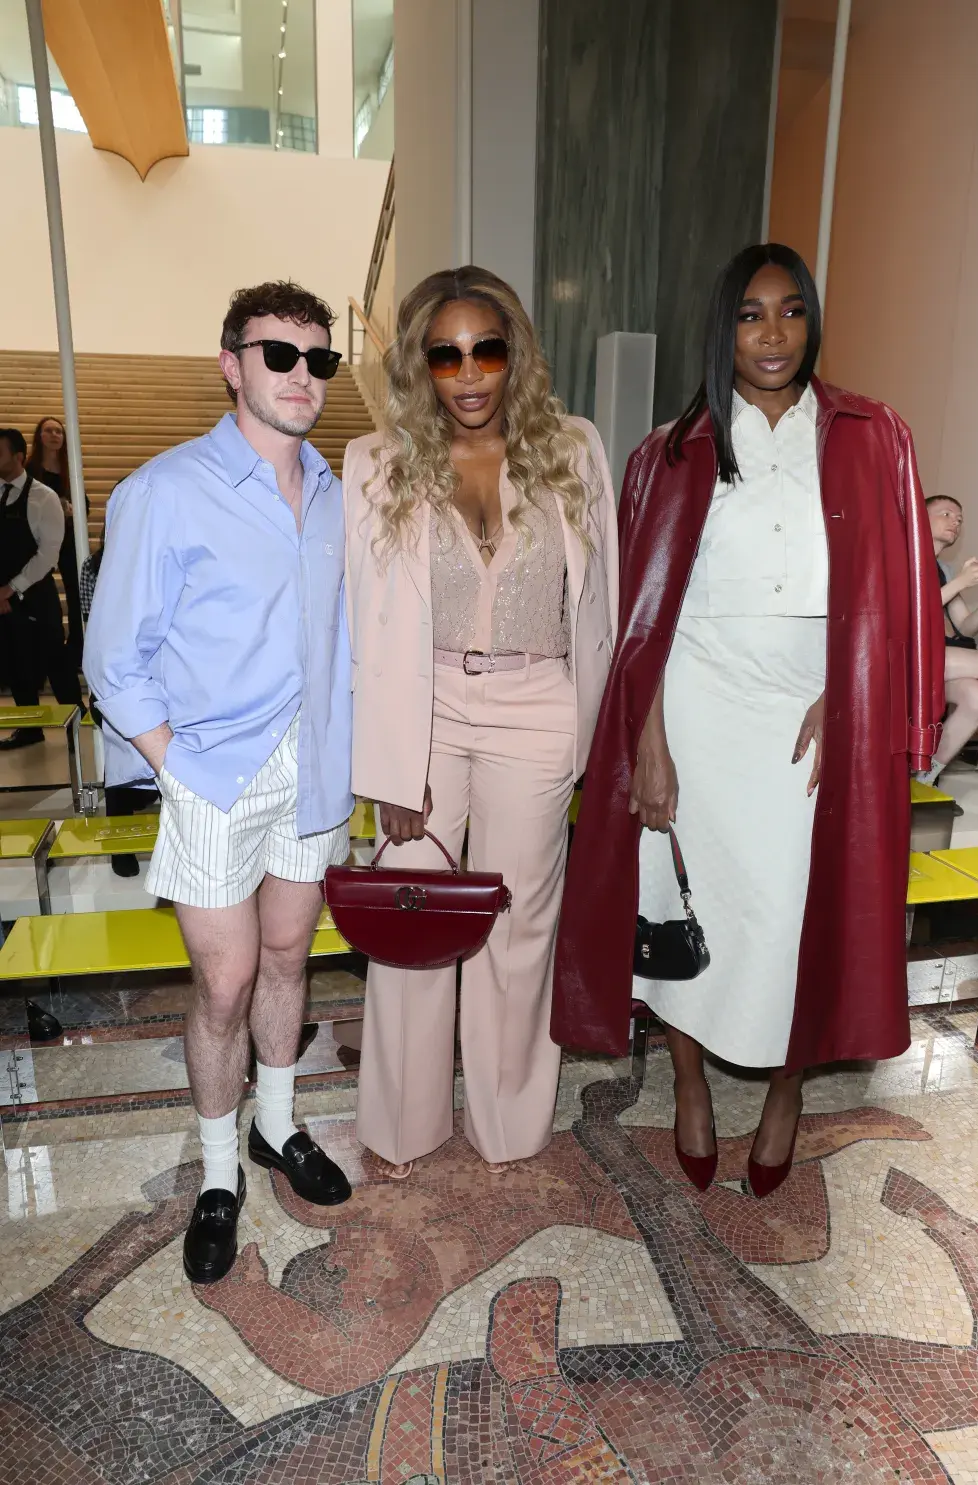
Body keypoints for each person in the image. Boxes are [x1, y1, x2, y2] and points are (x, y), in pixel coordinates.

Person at [552, 242, 944, 1199]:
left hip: (811, 715)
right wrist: (647, 740)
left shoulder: (871, 434)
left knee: (789, 920)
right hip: (696, 704)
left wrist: (850, 689)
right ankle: (689, 1084)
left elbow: (896, 590)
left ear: (812, 322)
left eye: (791, 312)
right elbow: (640, 622)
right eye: (750, 314)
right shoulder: (669, 449)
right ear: (723, 325)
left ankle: (783, 1096)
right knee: (686, 906)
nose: (773, 334)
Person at [84, 281, 354, 1284]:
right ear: (231, 364)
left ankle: (276, 1129)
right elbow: (114, 658)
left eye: (318, 360)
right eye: (279, 355)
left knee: (289, 962)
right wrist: (179, 768)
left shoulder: (331, 494)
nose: (301, 377)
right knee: (227, 981)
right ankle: (215, 1176)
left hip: (309, 769)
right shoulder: (166, 489)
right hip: (211, 773)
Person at [343, 265, 618, 1179]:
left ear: (516, 355)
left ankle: (508, 1122)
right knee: (413, 912)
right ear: (422, 365)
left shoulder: (572, 449)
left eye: (487, 349)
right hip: (421, 707)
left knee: (519, 919)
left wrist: (600, 734)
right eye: (447, 354)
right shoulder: (378, 462)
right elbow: (367, 629)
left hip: (537, 702)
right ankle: (404, 1123)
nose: (469, 373)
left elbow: (601, 606)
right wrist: (387, 765)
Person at [79, 512, 158, 879]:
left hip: (163, 674)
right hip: (116, 674)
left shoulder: (161, 556)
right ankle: (120, 846)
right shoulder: (94, 569)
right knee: (120, 760)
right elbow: (93, 624)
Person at [0, 427, 84, 749]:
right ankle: (29, 728)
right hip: (3, 598)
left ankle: (77, 722)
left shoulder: (43, 497)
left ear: (19, 457)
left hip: (34, 594)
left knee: (55, 662)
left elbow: (48, 554)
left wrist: (11, 588)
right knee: (13, 660)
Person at [915, 495, 978, 785]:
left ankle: (923, 777)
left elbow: (965, 626)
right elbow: (910, 611)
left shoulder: (943, 571)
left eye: (959, 520)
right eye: (946, 514)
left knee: (976, 696)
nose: (955, 523)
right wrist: (963, 581)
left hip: (938, 657)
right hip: (906, 654)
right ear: (919, 516)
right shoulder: (903, 557)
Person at [27, 416, 89, 669]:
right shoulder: (30, 469)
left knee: (76, 592)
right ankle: (39, 650)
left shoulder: (70, 468)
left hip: (70, 535)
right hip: (37, 539)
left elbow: (84, 504)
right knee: (37, 592)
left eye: (59, 431)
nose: (54, 435)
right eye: (48, 431)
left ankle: (77, 648)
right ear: (39, 436)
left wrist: (73, 509)